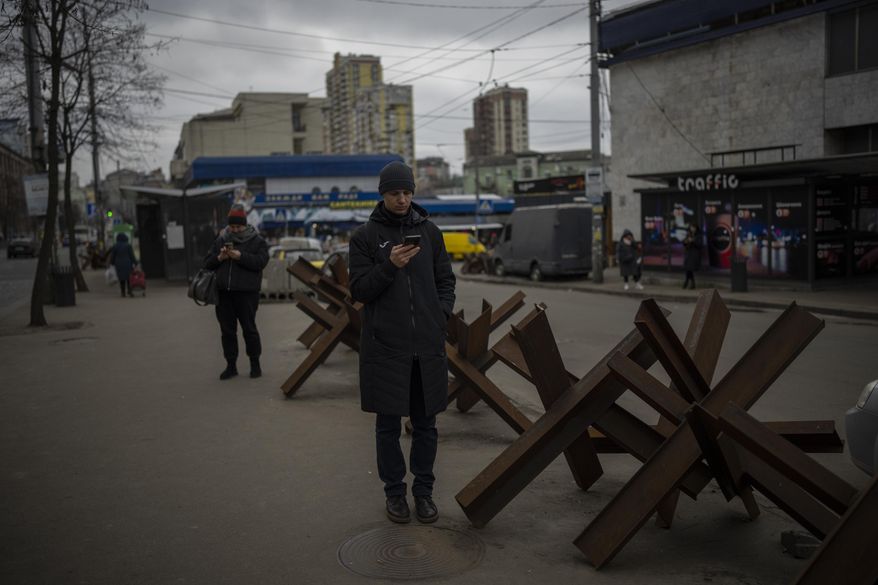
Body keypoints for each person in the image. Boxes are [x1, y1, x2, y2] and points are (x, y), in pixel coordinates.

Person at [349, 161, 456, 525]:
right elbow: (359, 290)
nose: (403, 199)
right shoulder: (364, 237)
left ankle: (423, 492)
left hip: (426, 346)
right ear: (383, 194)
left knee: (426, 425)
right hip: (385, 347)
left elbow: (446, 281)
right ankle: (395, 493)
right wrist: (389, 265)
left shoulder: (431, 233)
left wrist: (440, 315)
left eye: (408, 192)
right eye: (396, 193)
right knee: (388, 427)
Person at [203, 205, 270, 380]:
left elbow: (261, 262)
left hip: (247, 294)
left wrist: (240, 256)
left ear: (245, 225)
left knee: (249, 329)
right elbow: (207, 263)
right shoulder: (221, 239)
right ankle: (231, 365)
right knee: (227, 331)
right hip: (224, 294)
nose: (234, 230)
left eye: (238, 227)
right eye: (232, 227)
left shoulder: (257, 241)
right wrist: (220, 258)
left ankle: (255, 364)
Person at [109, 233, 137, 298]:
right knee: (129, 278)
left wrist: (112, 263)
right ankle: (130, 291)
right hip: (127, 263)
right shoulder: (128, 245)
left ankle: (123, 292)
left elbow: (113, 256)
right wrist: (135, 263)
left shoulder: (115, 246)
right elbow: (131, 255)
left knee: (121, 278)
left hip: (118, 264)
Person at [683, 223, 702, 289]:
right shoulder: (689, 234)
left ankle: (687, 282)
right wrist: (686, 241)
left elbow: (699, 245)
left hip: (694, 254)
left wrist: (693, 241)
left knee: (689, 268)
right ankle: (690, 283)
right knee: (688, 268)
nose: (692, 229)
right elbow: (684, 243)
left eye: (693, 227)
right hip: (688, 253)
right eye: (691, 227)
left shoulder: (698, 235)